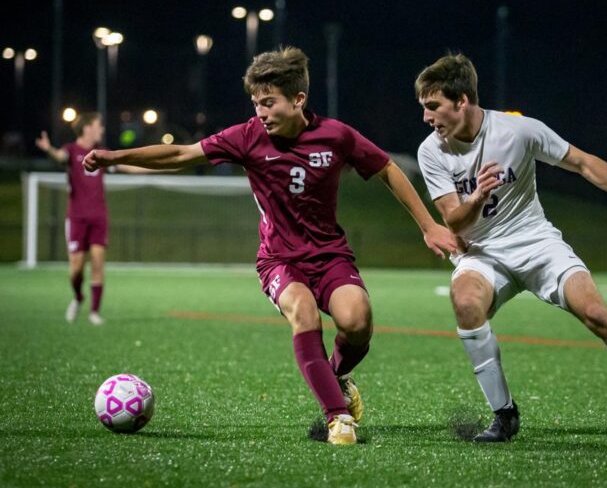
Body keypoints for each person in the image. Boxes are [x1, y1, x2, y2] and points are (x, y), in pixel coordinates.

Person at [83, 47, 457, 445]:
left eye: (268, 102)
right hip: (279, 260)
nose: (260, 111)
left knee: (358, 322)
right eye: (255, 103)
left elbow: (386, 168)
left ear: (298, 100)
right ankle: (338, 418)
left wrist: (428, 225)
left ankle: (335, 377)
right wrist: (113, 157)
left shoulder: (336, 136)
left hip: (329, 256)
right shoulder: (246, 137)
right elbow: (180, 153)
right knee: (304, 311)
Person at [415, 54, 607, 442]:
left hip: (536, 242)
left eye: (433, 106)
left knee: (596, 311)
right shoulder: (431, 151)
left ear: (462, 101)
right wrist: (477, 197)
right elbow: (453, 220)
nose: (426, 117)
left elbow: (583, 162)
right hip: (483, 252)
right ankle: (504, 415)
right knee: (466, 302)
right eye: (423, 107)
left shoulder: (518, 131)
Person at [35, 113, 154, 325]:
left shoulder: (102, 153)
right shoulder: (72, 150)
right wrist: (49, 149)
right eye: (99, 125)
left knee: (98, 264)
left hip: (99, 216)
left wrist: (156, 166)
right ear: (87, 128)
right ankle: (78, 297)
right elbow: (61, 157)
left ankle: (94, 312)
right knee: (76, 269)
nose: (102, 129)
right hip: (77, 218)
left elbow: (126, 166)